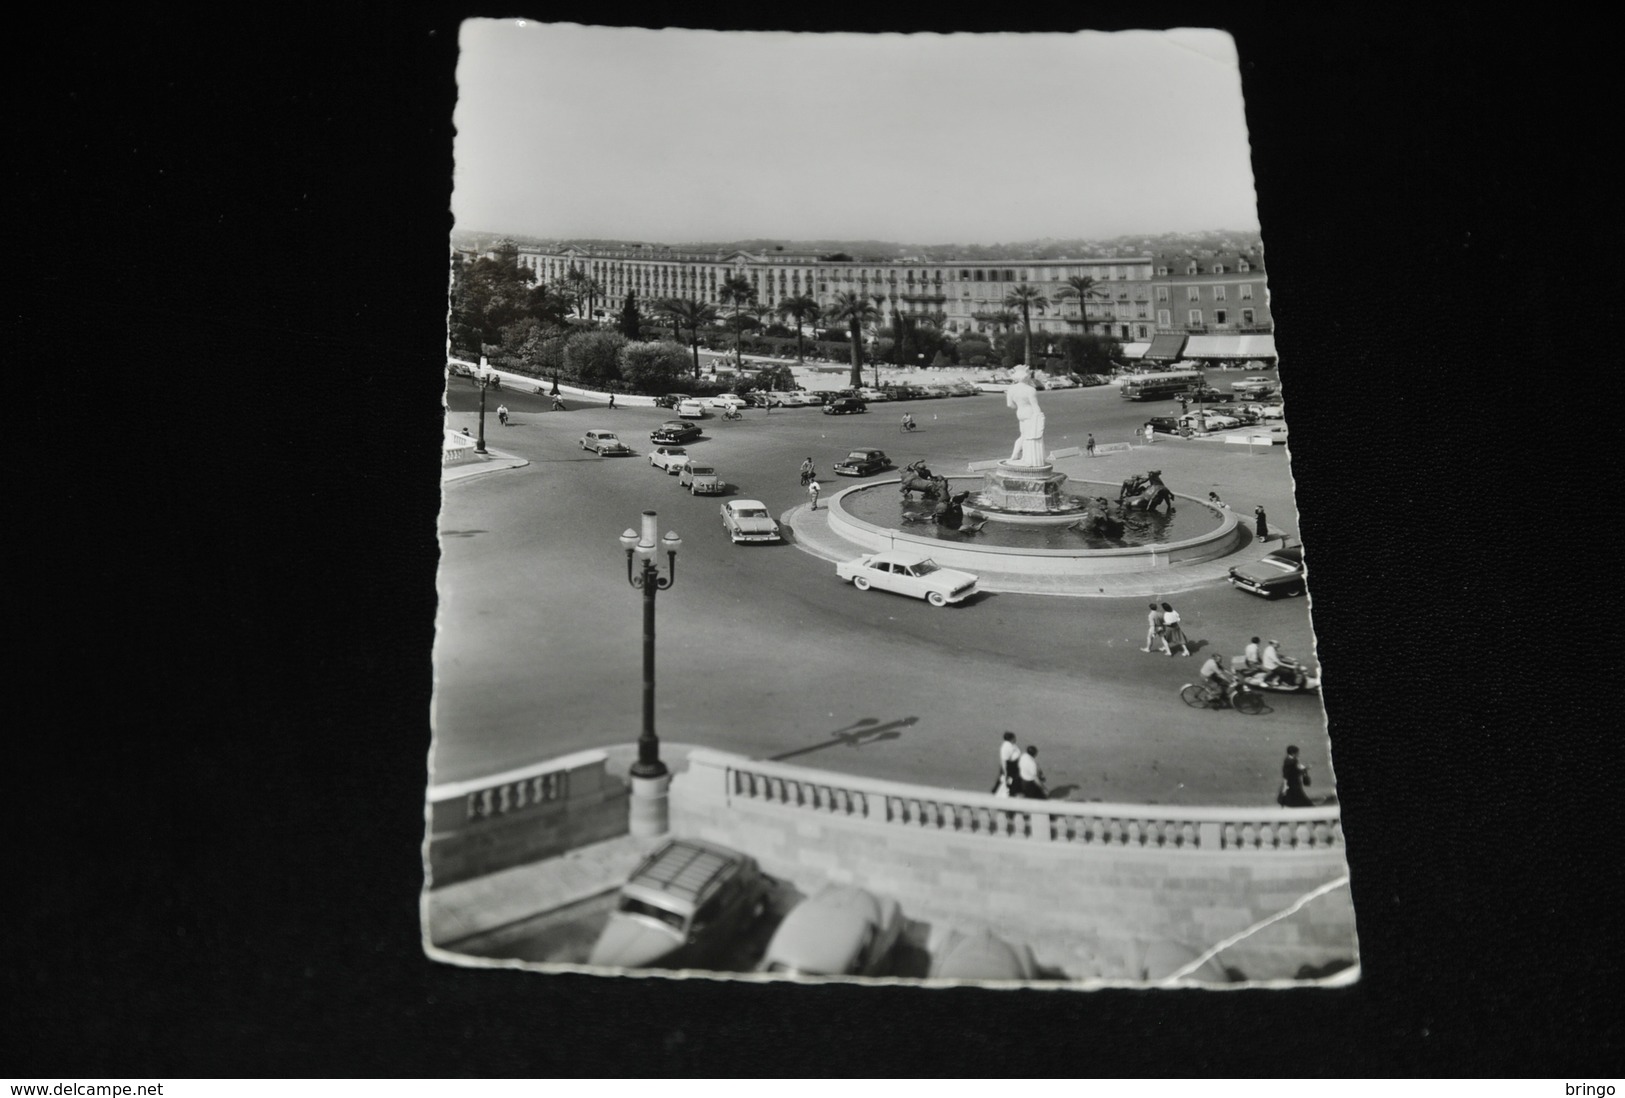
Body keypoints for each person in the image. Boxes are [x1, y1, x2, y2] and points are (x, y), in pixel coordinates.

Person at [1004, 364, 1047, 467]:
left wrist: (1018, 405)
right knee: (1029, 437)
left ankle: (1015, 455)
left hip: (1020, 413)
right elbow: (1035, 406)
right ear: (1026, 377)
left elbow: (1010, 405)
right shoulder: (1030, 390)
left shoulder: (1011, 389)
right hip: (1030, 414)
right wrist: (1040, 416)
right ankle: (1023, 457)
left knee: (1023, 436)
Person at [992, 731, 1021, 796]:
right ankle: (999, 792)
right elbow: (1004, 760)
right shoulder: (1007, 746)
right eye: (1014, 737)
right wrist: (1005, 770)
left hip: (1013, 765)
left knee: (1008, 779)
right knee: (1005, 779)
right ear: (1012, 738)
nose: (1015, 739)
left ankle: (1009, 792)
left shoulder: (1012, 745)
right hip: (1009, 766)